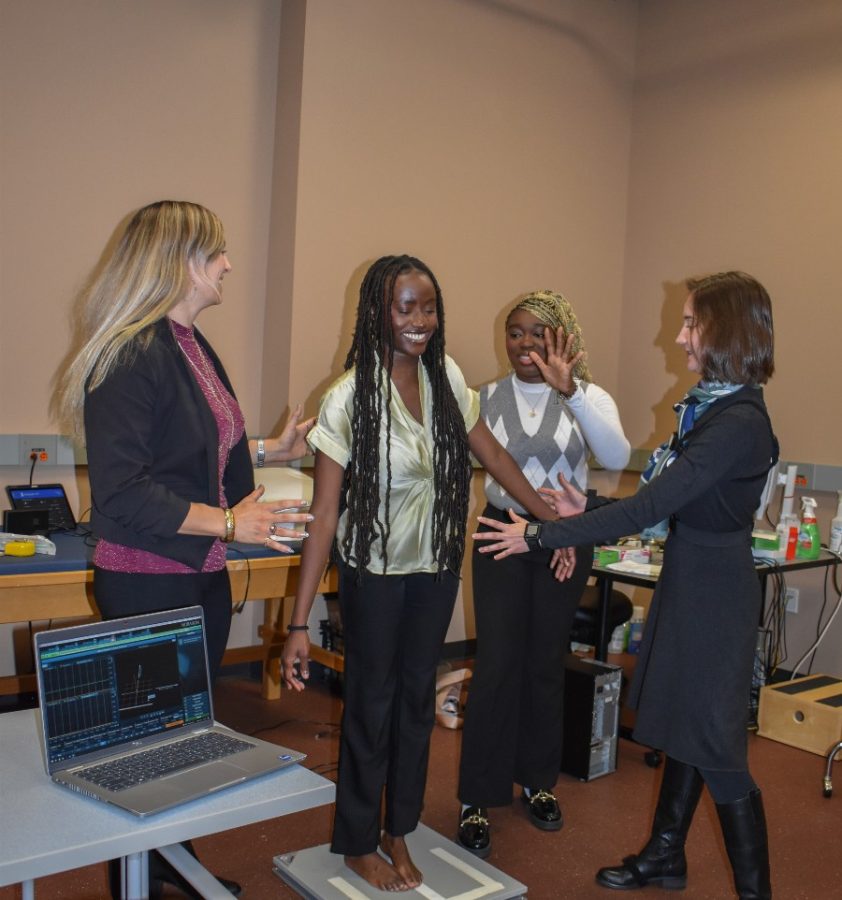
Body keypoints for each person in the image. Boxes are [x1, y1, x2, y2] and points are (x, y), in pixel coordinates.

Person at [473, 271, 777, 899]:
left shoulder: (737, 422)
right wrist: (581, 505)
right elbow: (663, 504)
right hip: (692, 582)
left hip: (715, 598)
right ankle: (666, 853)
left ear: (726, 331)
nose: (680, 334)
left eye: (692, 323)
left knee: (718, 747)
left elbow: (650, 504)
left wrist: (543, 534)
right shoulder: (715, 405)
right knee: (688, 729)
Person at [280, 255, 570, 893]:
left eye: (429, 307)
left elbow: (492, 454)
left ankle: (398, 829)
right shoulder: (349, 396)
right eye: (405, 307)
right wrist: (297, 622)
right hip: (373, 575)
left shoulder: (447, 380)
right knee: (370, 706)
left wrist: (552, 521)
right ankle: (357, 840)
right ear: (378, 312)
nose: (419, 321)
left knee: (416, 707)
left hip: (435, 572)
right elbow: (325, 515)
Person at [56, 199, 315, 897]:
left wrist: (267, 448)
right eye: (217, 253)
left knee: (182, 743)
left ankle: (170, 867)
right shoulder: (130, 353)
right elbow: (124, 493)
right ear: (180, 261)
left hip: (194, 575)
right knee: (148, 750)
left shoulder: (188, 343)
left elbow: (189, 442)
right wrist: (232, 526)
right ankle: (139, 880)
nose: (228, 264)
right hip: (146, 580)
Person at [456, 290, 630, 857]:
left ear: (563, 336)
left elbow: (617, 457)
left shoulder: (589, 395)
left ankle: (537, 782)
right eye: (515, 332)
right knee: (498, 663)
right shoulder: (484, 398)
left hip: (564, 538)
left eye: (537, 332)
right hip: (500, 534)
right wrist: (541, 521)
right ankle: (477, 797)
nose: (524, 343)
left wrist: (571, 391)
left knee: (544, 665)